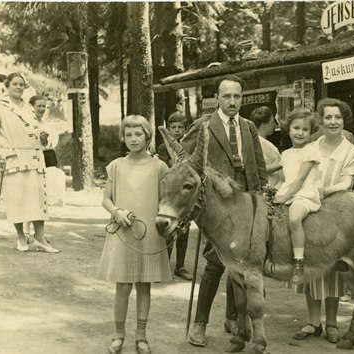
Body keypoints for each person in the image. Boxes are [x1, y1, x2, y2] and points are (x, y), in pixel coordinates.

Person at [183, 75, 267, 347]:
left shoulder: (249, 126)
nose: (232, 101)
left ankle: (234, 318)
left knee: (241, 263)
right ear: (216, 99)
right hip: (217, 204)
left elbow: (259, 164)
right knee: (217, 261)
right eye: (227, 96)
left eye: (237, 96)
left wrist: (261, 192)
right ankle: (200, 323)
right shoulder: (203, 125)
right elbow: (184, 164)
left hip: (246, 202)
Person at [97, 115, 172, 354]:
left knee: (144, 285)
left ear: (147, 136)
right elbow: (106, 199)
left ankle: (141, 336)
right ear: (123, 137)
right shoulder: (116, 166)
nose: (133, 139)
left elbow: (167, 200)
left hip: (149, 232)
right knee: (122, 286)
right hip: (122, 232)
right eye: (128, 134)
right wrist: (117, 212)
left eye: (138, 134)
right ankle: (118, 335)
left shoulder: (159, 167)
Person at [291, 98, 354, 344]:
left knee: (332, 268)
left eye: (338, 117)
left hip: (334, 212)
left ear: (344, 120)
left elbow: (348, 182)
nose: (333, 122)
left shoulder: (350, 150)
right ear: (321, 121)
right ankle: (313, 322)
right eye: (328, 117)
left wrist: (326, 189)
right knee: (311, 264)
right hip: (310, 208)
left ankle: (331, 323)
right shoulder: (313, 145)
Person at [0, 72, 59, 253]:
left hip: (35, 158)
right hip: (14, 158)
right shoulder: (0, 107)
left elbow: (37, 129)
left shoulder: (28, 107)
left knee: (38, 199)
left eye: (21, 85)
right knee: (17, 198)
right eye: (15, 84)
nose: (18, 87)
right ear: (7, 87)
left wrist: (43, 138)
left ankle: (40, 239)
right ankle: (20, 237)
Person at [273, 108, 321, 284]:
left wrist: (282, 198)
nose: (300, 133)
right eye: (296, 128)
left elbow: (300, 180)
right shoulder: (286, 154)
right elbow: (283, 176)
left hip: (304, 195)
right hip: (289, 193)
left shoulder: (311, 150)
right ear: (288, 129)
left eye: (305, 129)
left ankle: (299, 263)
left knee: (294, 218)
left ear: (310, 132)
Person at [157, 111, 192, 281]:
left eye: (180, 127)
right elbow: (166, 165)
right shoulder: (164, 146)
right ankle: (165, 266)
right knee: (169, 229)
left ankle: (180, 266)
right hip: (171, 191)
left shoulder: (188, 146)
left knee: (183, 230)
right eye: (173, 128)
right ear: (169, 129)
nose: (177, 130)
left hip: (184, 193)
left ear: (185, 129)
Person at [23, 95, 59, 241]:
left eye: (44, 106)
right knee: (30, 195)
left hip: (46, 160)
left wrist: (46, 140)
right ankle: (26, 231)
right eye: (39, 106)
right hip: (31, 161)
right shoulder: (26, 124)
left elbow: (52, 143)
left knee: (42, 197)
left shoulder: (48, 125)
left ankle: (39, 235)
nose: (42, 109)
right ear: (31, 107)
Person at [249, 106, 284, 189]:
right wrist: (283, 163)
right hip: (270, 187)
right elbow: (261, 168)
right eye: (272, 122)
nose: (274, 125)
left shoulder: (261, 141)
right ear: (264, 125)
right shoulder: (259, 143)